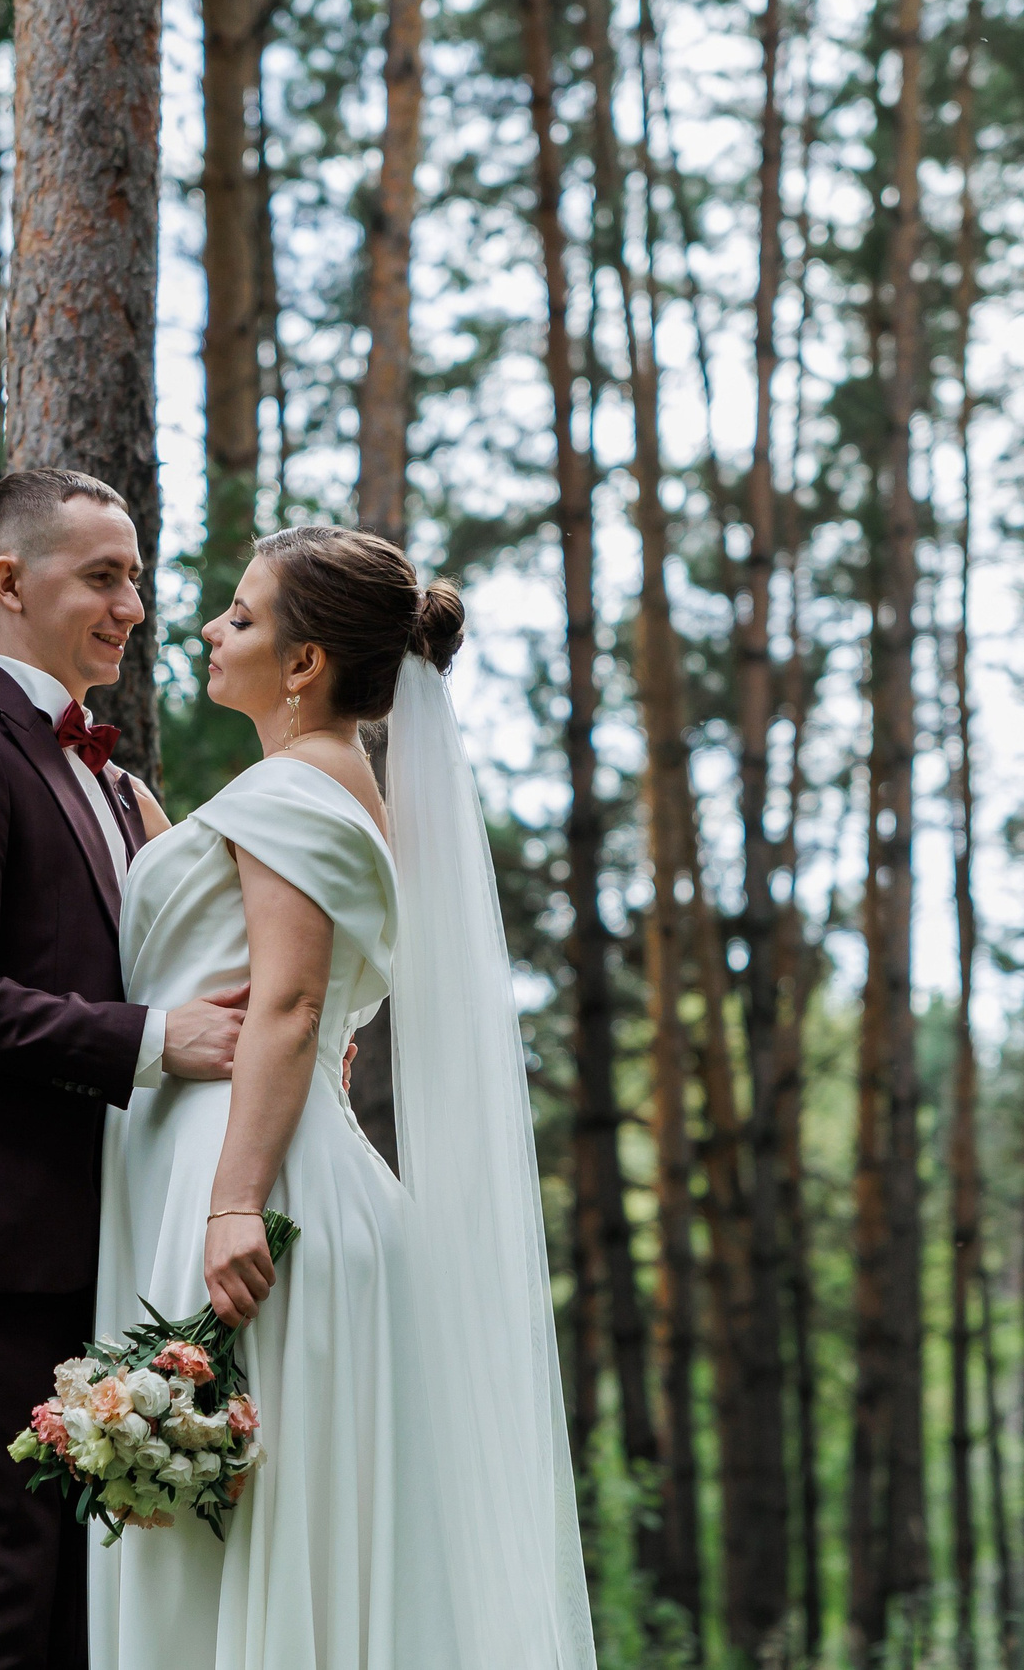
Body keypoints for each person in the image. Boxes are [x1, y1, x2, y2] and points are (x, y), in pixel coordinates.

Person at [89, 526, 597, 1669]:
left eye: (242, 615)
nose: (213, 630)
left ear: (305, 663)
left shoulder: (292, 790)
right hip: (281, 1164)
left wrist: (230, 1206)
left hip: (253, 1189)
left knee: (241, 1542)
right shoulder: (327, 794)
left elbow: (290, 1006)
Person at [0, 468, 249, 1670]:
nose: (132, 605)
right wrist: (148, 1043)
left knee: (85, 1625)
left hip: (108, 1252)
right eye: (102, 577)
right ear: (10, 585)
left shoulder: (122, 790)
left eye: (136, 576)